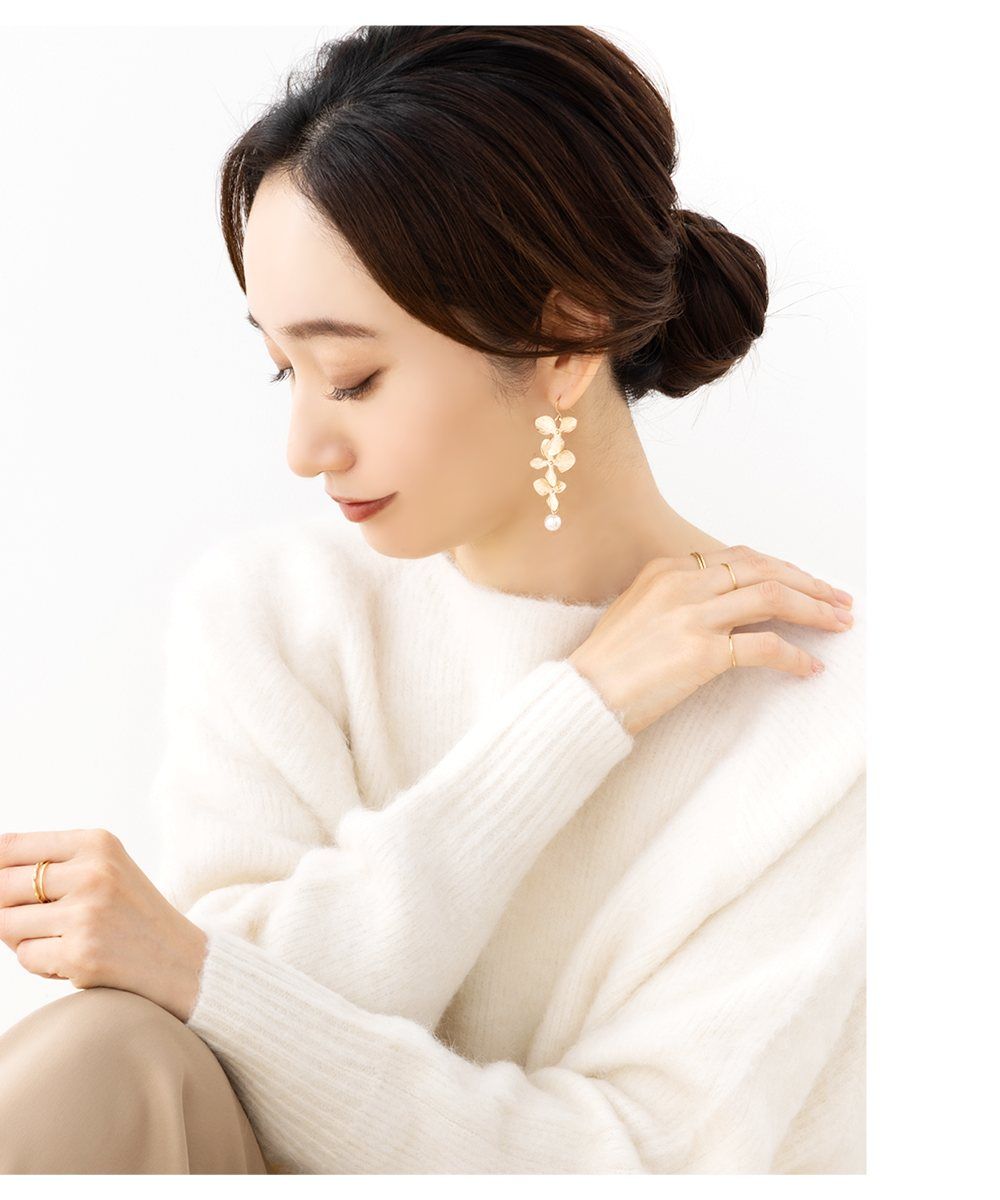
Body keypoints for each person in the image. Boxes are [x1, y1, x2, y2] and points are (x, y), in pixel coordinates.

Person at [0, 25, 864, 1173]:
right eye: (284, 370)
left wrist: (200, 972)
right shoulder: (274, 614)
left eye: (352, 377)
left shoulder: (829, 718)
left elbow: (637, 1167)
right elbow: (217, 1041)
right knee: (107, 1051)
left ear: (565, 336)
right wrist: (574, 716)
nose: (304, 447)